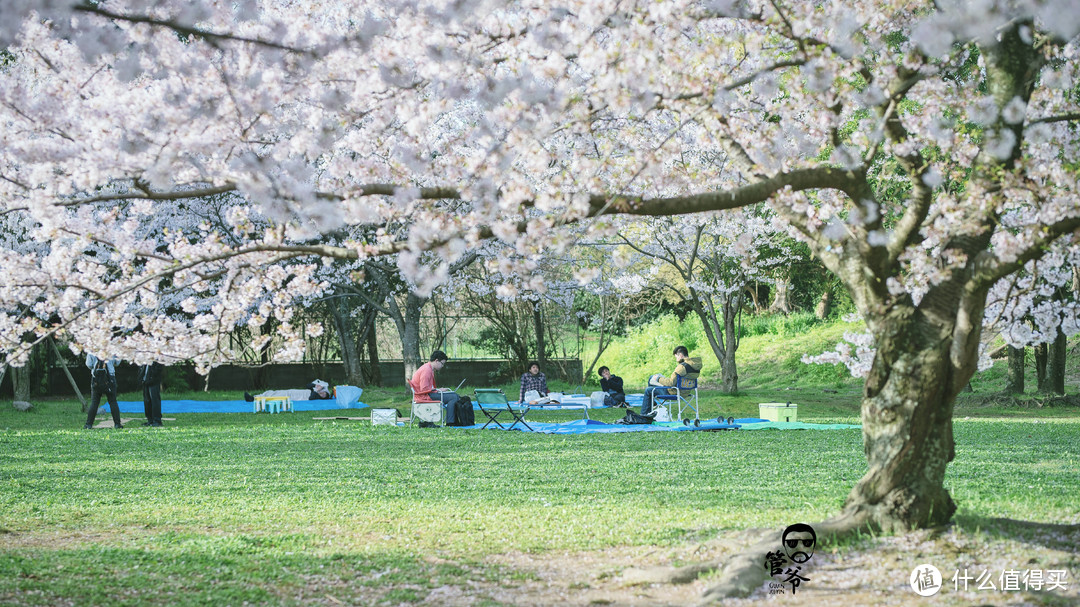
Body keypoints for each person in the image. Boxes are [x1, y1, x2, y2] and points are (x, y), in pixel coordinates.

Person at [641, 346, 702, 417]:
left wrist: (658, 378)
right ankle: (652, 403)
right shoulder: (696, 367)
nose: (676, 359)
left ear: (681, 355)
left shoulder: (682, 367)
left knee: (649, 388)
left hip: (674, 392)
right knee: (652, 379)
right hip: (686, 392)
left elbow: (670, 383)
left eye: (676, 357)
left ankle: (644, 414)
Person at [410, 350, 461, 425]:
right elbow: (424, 389)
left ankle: (452, 421)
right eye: (442, 363)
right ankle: (451, 422)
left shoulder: (428, 368)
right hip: (424, 396)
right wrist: (438, 390)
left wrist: (438, 390)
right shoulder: (427, 370)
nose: (442, 366)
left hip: (425, 394)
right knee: (453, 397)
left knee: (454, 395)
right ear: (436, 361)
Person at [84, 354, 123, 429]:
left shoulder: (92, 348)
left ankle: (88, 424)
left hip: (96, 378)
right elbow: (117, 363)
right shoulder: (112, 348)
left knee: (94, 402)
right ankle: (117, 424)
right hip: (110, 378)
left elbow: (88, 364)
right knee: (112, 401)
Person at [244, 379, 333, 403]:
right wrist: (316, 386)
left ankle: (253, 399)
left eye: (324, 395)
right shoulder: (317, 391)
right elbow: (308, 385)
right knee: (272, 392)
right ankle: (256, 396)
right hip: (292, 391)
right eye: (323, 392)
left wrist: (316, 391)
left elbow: (311, 398)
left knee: (274, 396)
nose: (322, 394)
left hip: (293, 396)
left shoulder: (315, 396)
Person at [140, 361, 164, 427]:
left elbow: (159, 367)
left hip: (153, 380)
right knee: (147, 400)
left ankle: (157, 420)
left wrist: (153, 375)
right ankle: (150, 419)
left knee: (155, 400)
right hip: (146, 380)